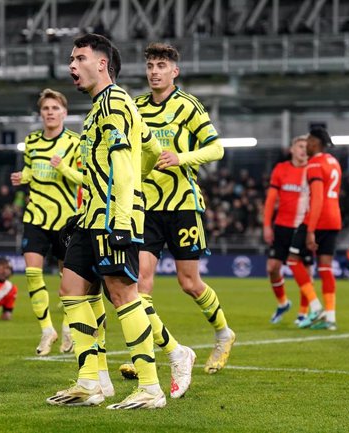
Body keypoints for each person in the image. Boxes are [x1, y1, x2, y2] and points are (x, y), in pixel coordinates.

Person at [46, 33, 163, 409]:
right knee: (71, 289)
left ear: (102, 63)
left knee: (123, 295)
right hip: (90, 215)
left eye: (79, 58)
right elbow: (150, 148)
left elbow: (126, 166)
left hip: (112, 218)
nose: (72, 66)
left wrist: (124, 217)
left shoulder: (115, 102)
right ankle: (90, 382)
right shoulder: (99, 107)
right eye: (71, 59)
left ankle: (150, 387)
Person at [118, 43, 234, 392]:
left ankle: (224, 333)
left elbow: (217, 148)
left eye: (162, 65)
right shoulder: (135, 108)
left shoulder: (188, 106)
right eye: (151, 65)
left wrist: (182, 158)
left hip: (182, 204)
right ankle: (146, 354)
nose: (155, 71)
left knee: (189, 283)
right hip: (147, 208)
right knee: (140, 284)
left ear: (174, 72)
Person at [10, 88, 84, 356]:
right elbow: (32, 169)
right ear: (40, 114)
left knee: (69, 281)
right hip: (36, 215)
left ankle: (67, 327)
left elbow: (84, 178)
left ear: (64, 112)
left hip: (66, 219)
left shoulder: (75, 142)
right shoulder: (31, 141)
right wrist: (23, 177)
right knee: (31, 272)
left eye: (55, 108)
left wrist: (63, 167)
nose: (50, 113)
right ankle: (46, 330)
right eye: (46, 109)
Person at [288, 127, 342, 331]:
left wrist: (310, 229)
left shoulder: (314, 164)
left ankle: (316, 306)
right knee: (326, 267)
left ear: (316, 143)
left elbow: (318, 197)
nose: (306, 145)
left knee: (293, 260)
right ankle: (330, 318)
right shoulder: (334, 162)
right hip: (335, 217)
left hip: (317, 218)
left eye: (309, 140)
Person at [263, 136, 312, 325]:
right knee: (272, 268)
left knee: (305, 272)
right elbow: (270, 200)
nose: (303, 150)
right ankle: (283, 303)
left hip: (303, 227)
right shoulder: (281, 169)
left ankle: (303, 313)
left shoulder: (312, 170)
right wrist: (267, 225)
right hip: (282, 227)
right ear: (291, 149)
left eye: (306, 147)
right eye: (300, 146)